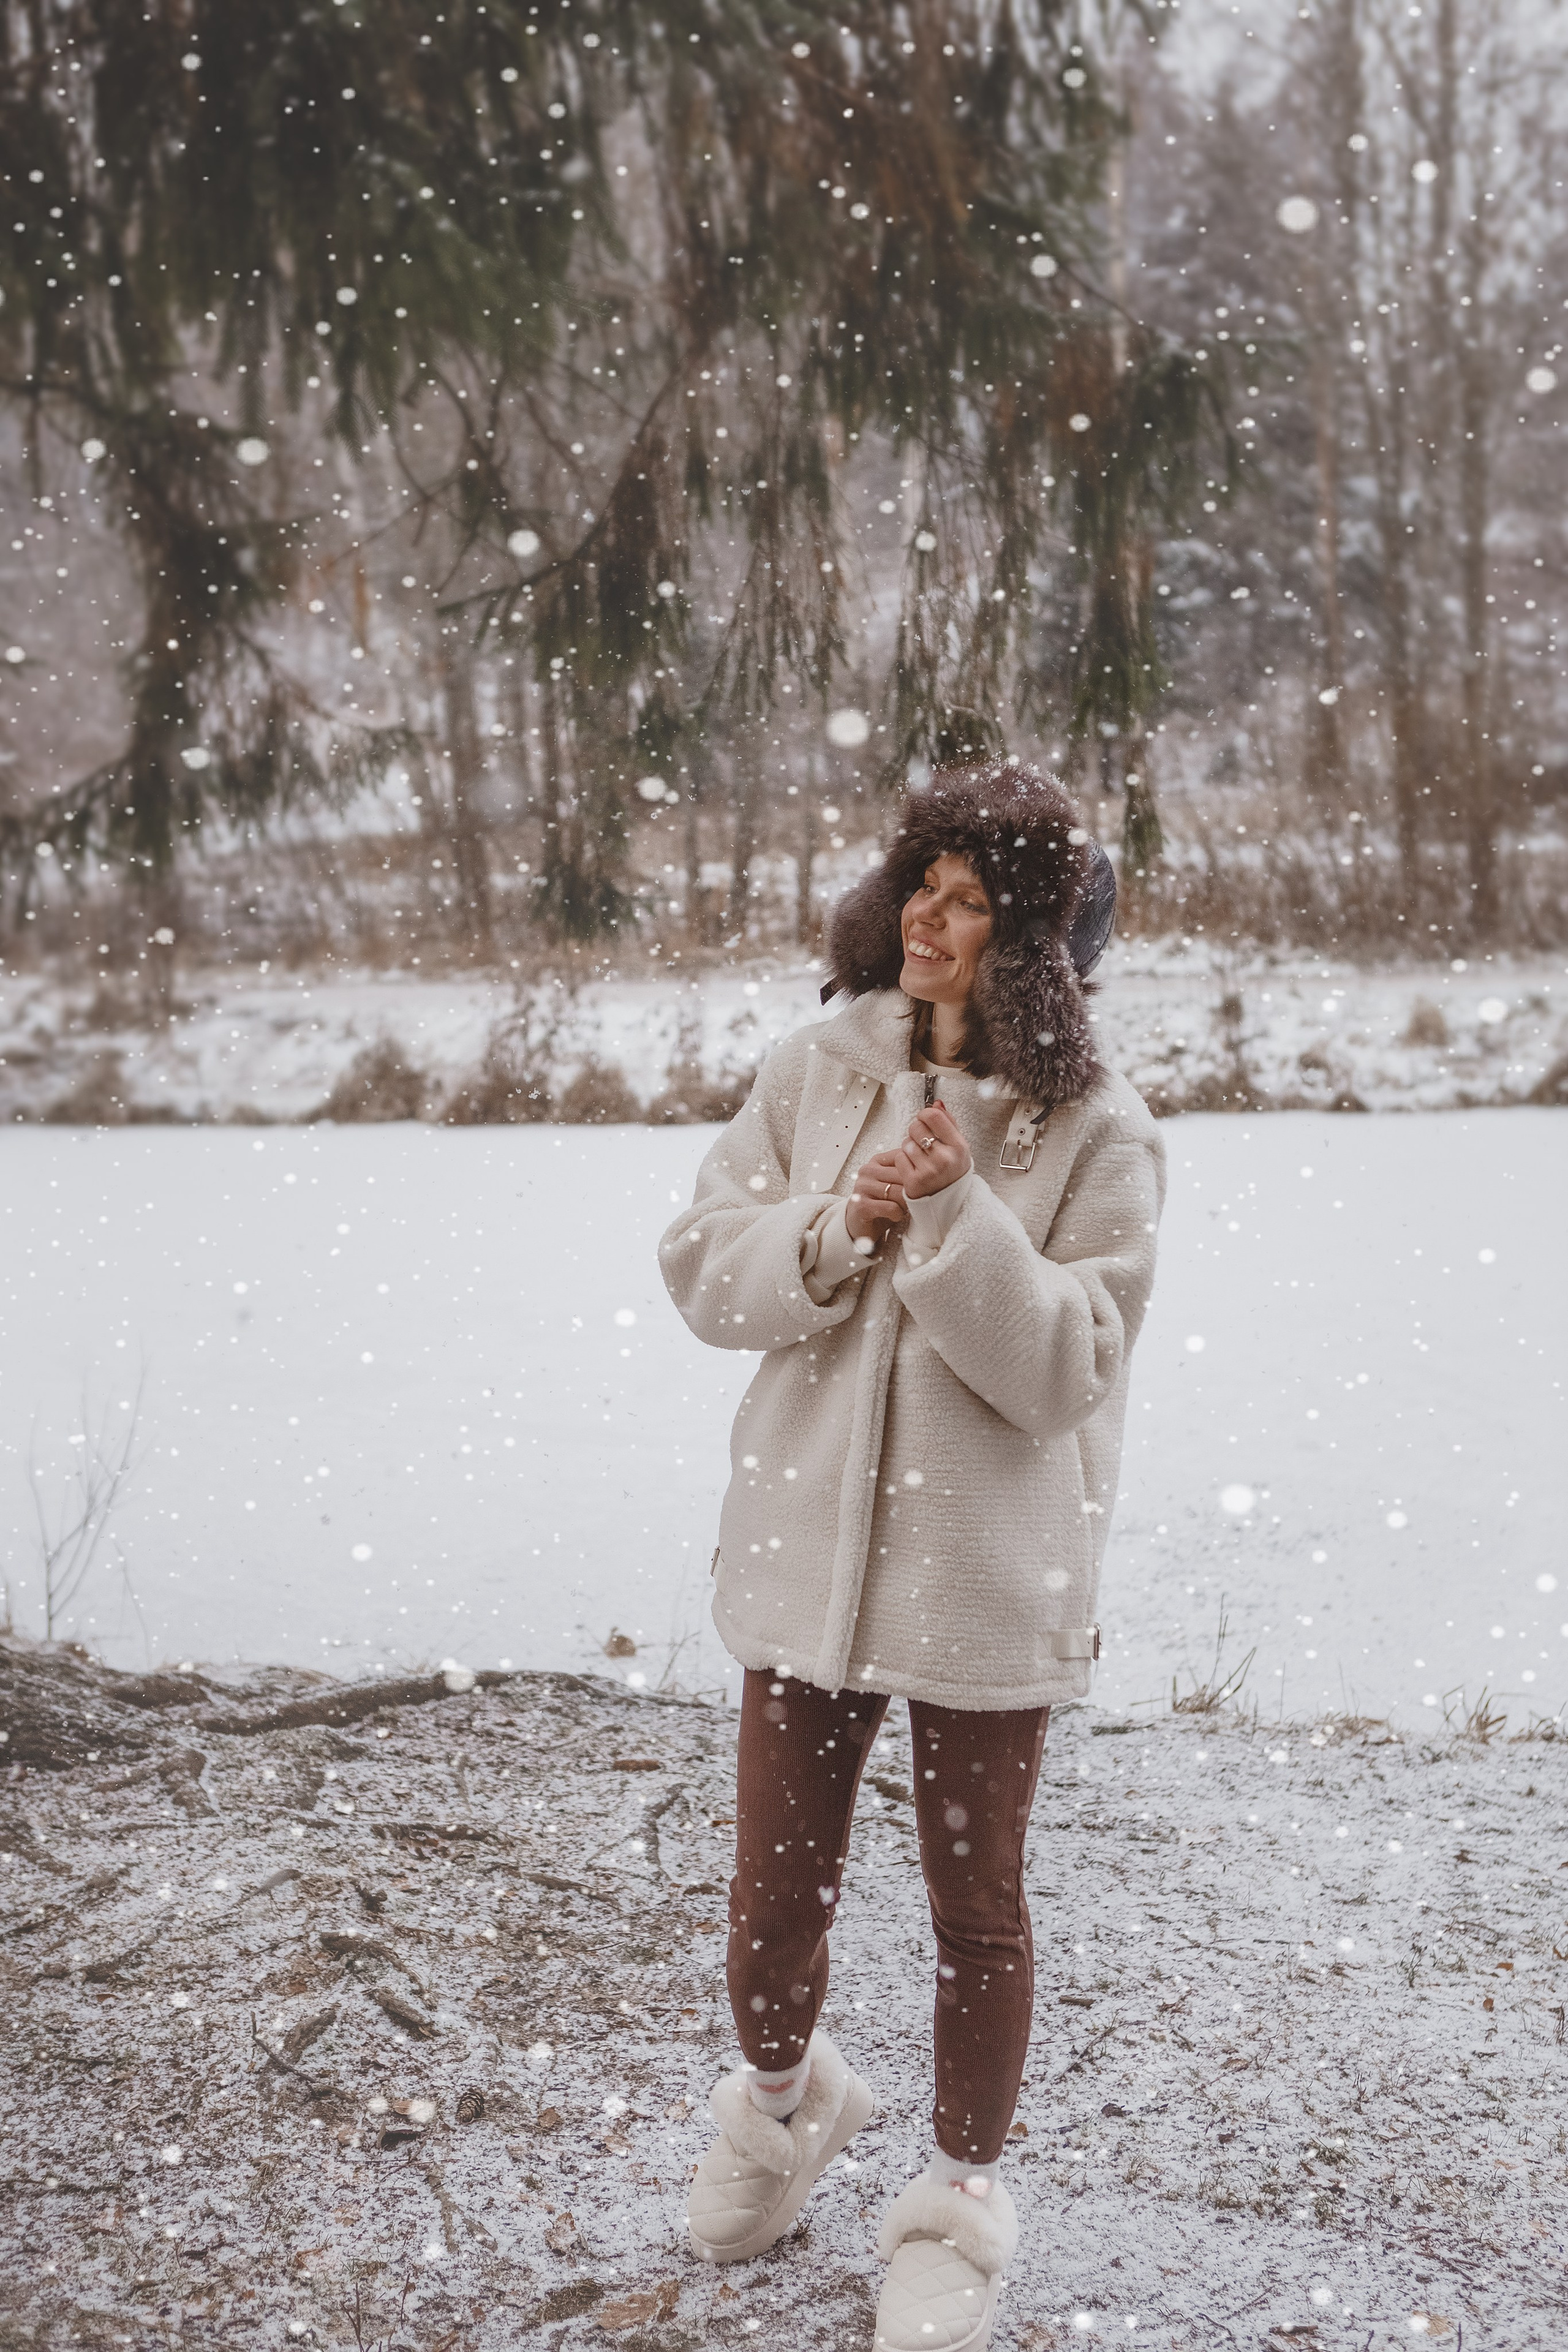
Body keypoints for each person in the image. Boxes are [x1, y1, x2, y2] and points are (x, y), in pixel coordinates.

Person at [657, 757, 1165, 2351]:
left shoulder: (1099, 1130)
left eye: (972, 899)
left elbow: (1072, 1364)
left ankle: (956, 2203)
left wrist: (955, 1221)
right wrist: (837, 1224)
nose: (931, 919)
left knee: (976, 1916)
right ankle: (786, 2100)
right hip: (802, 1570)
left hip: (986, 1591)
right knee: (769, 1900)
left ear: (1031, 944)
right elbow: (701, 1268)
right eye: (923, 884)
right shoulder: (814, 1070)